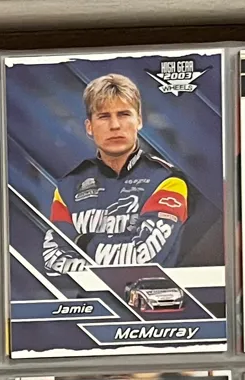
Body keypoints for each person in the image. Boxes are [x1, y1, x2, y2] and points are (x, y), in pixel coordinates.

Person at [42, 73, 190, 274]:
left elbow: (144, 256)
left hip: (148, 293)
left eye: (124, 114)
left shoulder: (167, 180)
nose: (115, 125)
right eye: (104, 116)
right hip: (84, 295)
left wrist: (82, 242)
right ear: (89, 127)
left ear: (139, 121)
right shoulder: (68, 186)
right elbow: (53, 258)